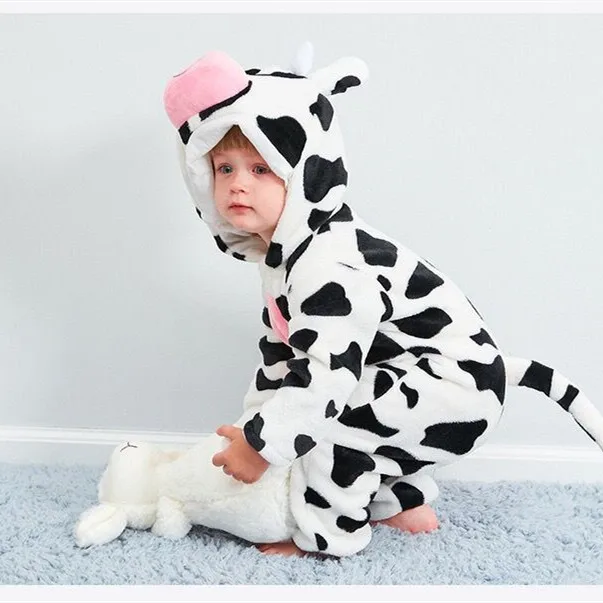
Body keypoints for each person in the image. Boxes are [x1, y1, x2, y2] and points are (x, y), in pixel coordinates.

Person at [163, 49, 603, 558]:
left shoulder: (328, 263)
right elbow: (281, 355)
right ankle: (402, 504)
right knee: (345, 407)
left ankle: (329, 538)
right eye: (224, 167)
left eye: (262, 168)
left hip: (455, 383)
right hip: (434, 375)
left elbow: (325, 376)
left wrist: (263, 445)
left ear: (305, 174)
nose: (238, 183)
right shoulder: (283, 259)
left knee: (332, 422)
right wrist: (253, 428)